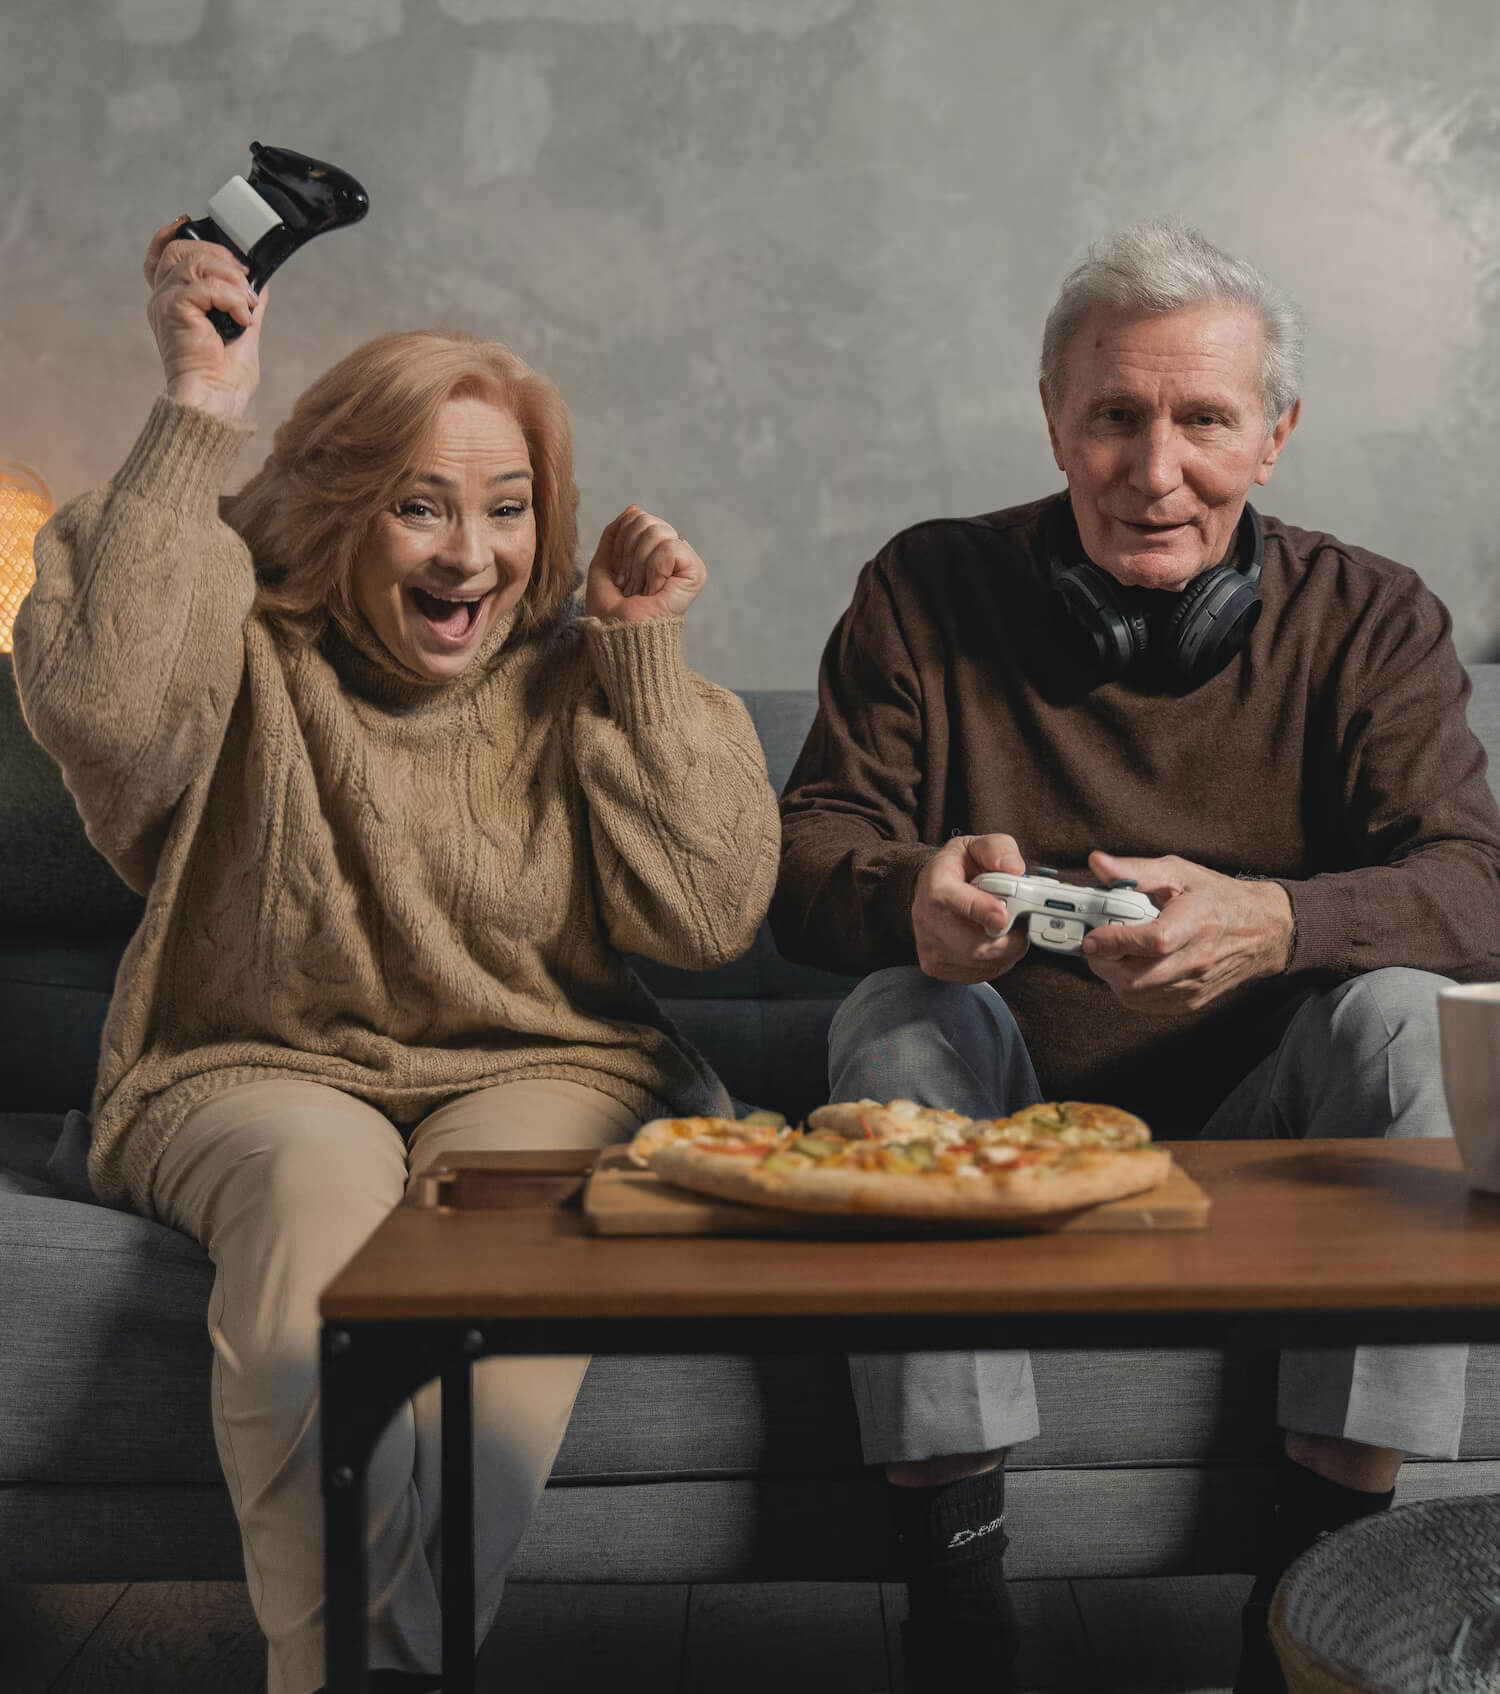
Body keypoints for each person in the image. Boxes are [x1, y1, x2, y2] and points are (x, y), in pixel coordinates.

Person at [12, 220, 780, 1694]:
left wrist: (634, 656)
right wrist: (197, 414)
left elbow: (705, 913)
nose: (471, 554)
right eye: (421, 508)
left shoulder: (580, 668)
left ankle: (384, 1670)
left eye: (506, 510)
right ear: (343, 505)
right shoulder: (240, 637)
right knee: (313, 1201)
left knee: (519, 1219)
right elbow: (102, 711)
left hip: (546, 1065)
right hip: (251, 1063)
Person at [771, 219, 1500, 1693]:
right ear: (1055, 417)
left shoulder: (1371, 617)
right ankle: (964, 1625)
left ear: (1276, 434)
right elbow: (800, 860)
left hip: (1274, 1130)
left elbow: (1478, 881)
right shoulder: (923, 589)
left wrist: (1280, 920)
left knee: (1412, 1018)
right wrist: (909, 889)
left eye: (1203, 420)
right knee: (893, 1011)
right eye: (1113, 415)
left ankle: (1302, 1616)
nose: (1151, 468)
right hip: (1008, 1121)